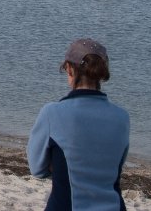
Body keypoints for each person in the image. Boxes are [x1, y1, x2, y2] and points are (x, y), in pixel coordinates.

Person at [27, 38, 130, 210]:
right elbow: (113, 165)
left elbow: (37, 169)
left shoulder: (52, 113)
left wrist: (60, 165)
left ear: (69, 68)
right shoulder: (122, 117)